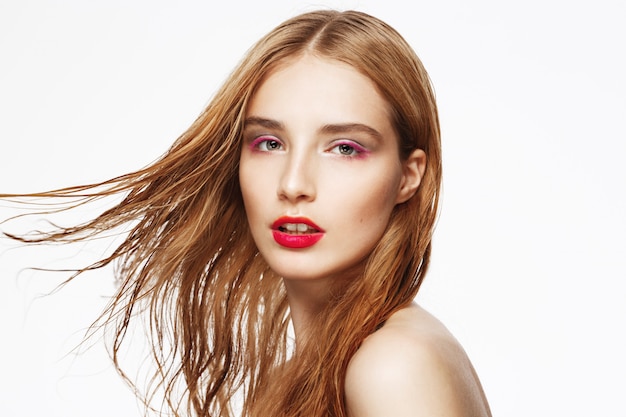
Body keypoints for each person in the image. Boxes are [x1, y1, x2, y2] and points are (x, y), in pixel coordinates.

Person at [1, 9, 491, 417]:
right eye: (270, 143)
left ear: (409, 175)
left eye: (344, 148)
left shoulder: (393, 365)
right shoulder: (337, 361)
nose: (294, 184)